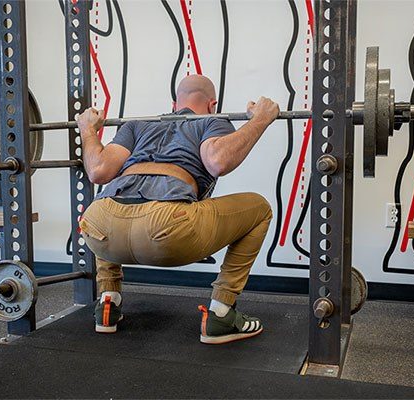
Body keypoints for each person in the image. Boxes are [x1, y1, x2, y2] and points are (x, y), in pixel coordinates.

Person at [77, 74, 280, 344]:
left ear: (174, 104)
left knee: (108, 198)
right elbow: (218, 161)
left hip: (100, 228)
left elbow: (98, 171)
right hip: (165, 228)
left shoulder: (139, 125)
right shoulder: (212, 120)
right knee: (260, 208)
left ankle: (108, 301)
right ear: (213, 104)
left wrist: (87, 129)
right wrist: (260, 119)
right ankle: (222, 312)